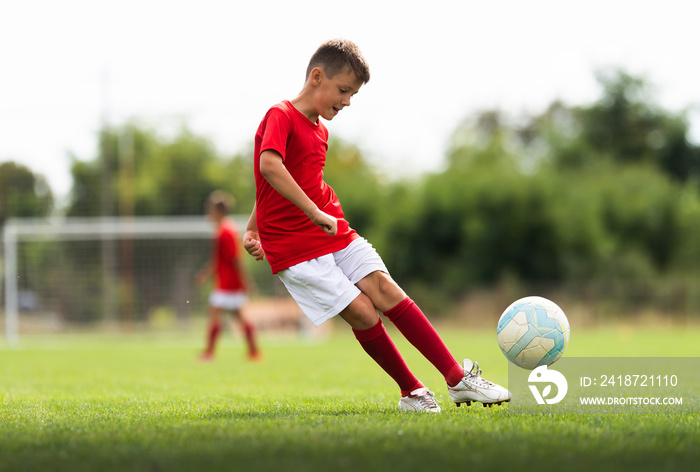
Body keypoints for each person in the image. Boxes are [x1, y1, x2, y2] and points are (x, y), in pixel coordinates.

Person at [243, 39, 510, 412]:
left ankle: (457, 379)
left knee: (384, 289)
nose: (347, 101)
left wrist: (257, 226)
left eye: (352, 94)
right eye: (343, 90)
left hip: (331, 228)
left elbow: (288, 181)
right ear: (316, 77)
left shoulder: (320, 131)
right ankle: (412, 392)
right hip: (295, 245)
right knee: (364, 313)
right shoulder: (280, 114)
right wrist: (300, 218)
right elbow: (269, 168)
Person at [197, 191, 260, 362]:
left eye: (209, 210)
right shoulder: (224, 229)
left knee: (216, 314)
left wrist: (246, 281)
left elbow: (236, 259)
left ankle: (209, 353)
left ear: (217, 211)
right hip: (228, 281)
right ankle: (254, 352)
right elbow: (219, 260)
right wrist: (206, 273)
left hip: (228, 282)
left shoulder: (226, 231)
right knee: (238, 316)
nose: (208, 213)